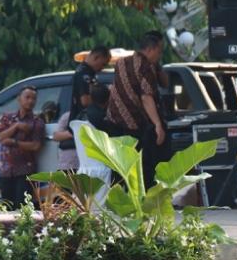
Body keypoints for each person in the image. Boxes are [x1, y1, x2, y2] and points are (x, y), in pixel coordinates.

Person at [106, 31, 169, 188]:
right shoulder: (146, 66)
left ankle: (119, 200)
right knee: (142, 164)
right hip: (134, 124)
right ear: (151, 49)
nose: (159, 56)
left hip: (114, 120)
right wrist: (158, 124)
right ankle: (142, 198)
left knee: (118, 165)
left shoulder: (120, 63)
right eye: (159, 52)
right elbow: (146, 97)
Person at [0, 87, 45, 208]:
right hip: (7, 171)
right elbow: (1, 137)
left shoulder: (37, 121)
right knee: (6, 206)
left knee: (22, 207)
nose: (30, 101)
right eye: (27, 97)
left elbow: (35, 146)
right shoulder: (8, 118)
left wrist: (13, 141)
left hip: (26, 171)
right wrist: (16, 126)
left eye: (33, 98)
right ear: (19, 99)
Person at [71, 46, 111, 116]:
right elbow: (85, 101)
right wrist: (104, 101)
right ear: (96, 57)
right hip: (82, 122)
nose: (102, 68)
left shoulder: (89, 73)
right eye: (103, 64)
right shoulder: (84, 74)